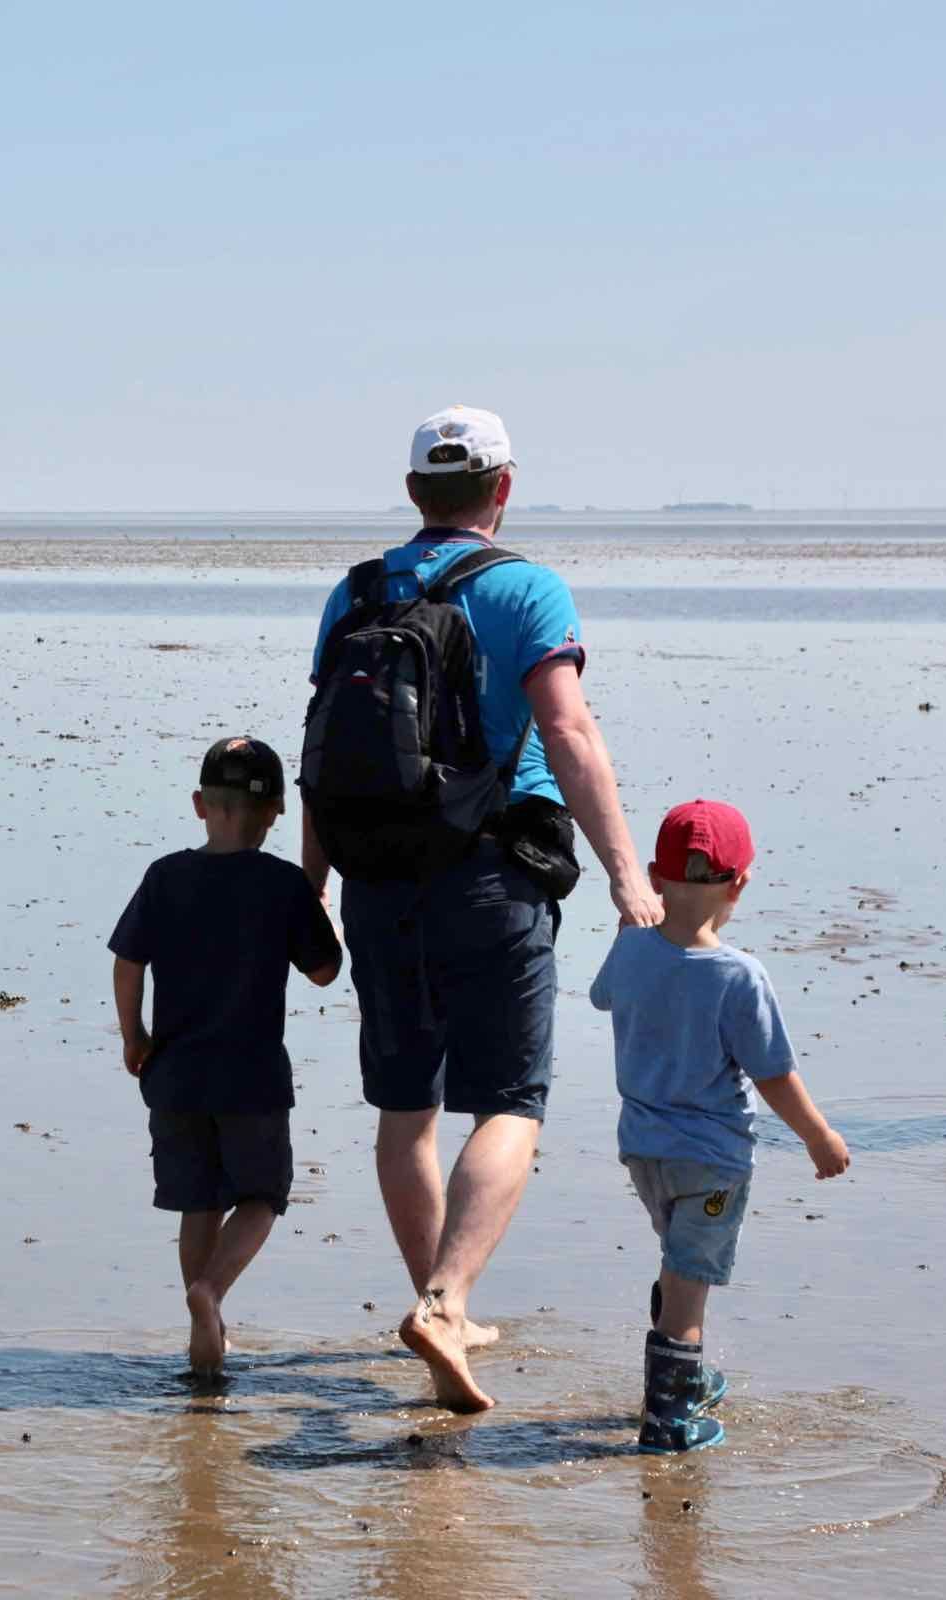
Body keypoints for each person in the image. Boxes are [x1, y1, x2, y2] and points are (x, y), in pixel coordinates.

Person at [302, 404, 663, 1413]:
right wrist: (628, 876)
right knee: (511, 1100)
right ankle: (447, 1299)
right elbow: (568, 729)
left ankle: (439, 1306)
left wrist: (313, 884)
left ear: (414, 491)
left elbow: (322, 752)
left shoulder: (354, 592)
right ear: (504, 488)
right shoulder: (526, 588)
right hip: (495, 872)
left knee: (404, 1107)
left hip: (377, 877)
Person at [590, 799, 849, 1453]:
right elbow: (773, 1073)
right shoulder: (739, 975)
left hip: (643, 1152)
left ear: (656, 877)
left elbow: (602, 995)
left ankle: (684, 1377)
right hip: (712, 1160)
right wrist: (818, 1135)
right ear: (740, 884)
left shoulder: (632, 950)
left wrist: (630, 930)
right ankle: (670, 1419)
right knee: (688, 1286)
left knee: (679, 1265)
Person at [109, 738, 342, 1375]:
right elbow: (324, 971)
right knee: (263, 1196)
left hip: (176, 1076)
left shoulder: (164, 876)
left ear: (199, 805)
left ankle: (203, 1330)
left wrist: (133, 1036)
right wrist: (323, 911)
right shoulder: (282, 883)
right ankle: (210, 1293)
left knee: (199, 1201)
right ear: (273, 814)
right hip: (251, 1078)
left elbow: (128, 964)